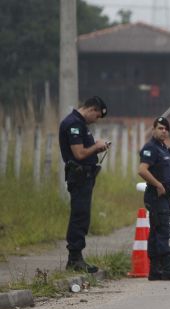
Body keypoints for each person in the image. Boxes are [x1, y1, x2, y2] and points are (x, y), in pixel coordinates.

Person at [58, 96, 110, 273]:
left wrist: (97, 146)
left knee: (82, 215)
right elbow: (79, 154)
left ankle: (76, 258)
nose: (96, 120)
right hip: (79, 176)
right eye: (97, 116)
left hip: (85, 177)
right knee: (79, 216)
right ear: (92, 109)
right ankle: (74, 259)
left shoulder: (80, 123)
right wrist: (96, 146)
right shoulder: (74, 124)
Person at [137, 116, 170, 281]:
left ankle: (155, 270)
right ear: (153, 130)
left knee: (156, 232)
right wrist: (158, 185)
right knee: (162, 232)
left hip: (165, 196)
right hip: (156, 196)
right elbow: (142, 170)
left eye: (166, 129)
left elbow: (167, 175)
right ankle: (167, 268)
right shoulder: (150, 148)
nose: (163, 131)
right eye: (160, 128)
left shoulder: (162, 148)